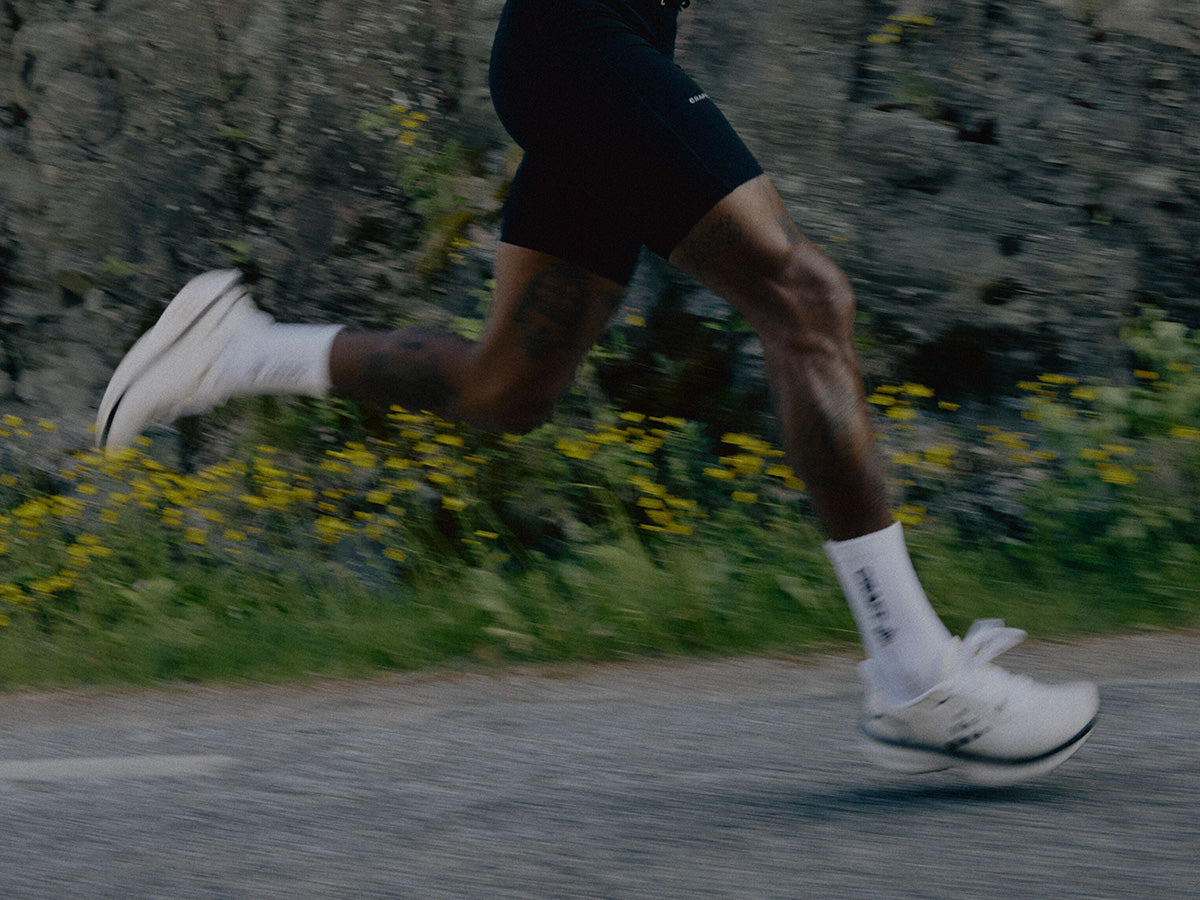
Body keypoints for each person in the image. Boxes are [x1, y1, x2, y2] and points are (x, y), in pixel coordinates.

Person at [95, 0, 1098, 785]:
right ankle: (917, 679)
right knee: (804, 300)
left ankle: (237, 349)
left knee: (509, 387)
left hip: (599, 56)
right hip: (581, 45)